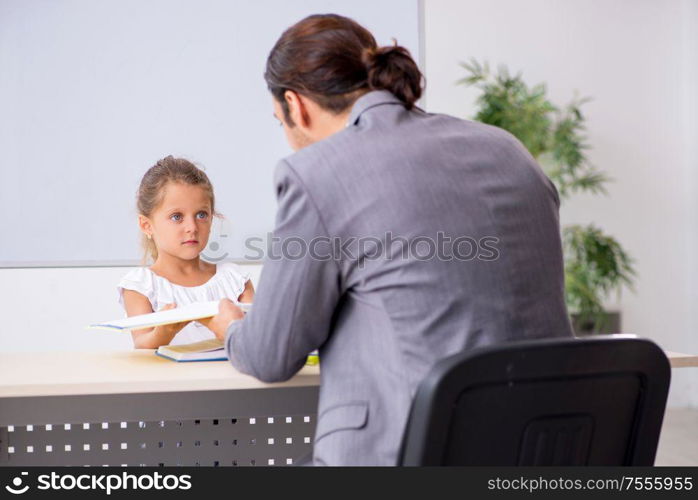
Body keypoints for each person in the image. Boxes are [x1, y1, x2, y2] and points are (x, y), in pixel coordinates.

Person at [202, 14, 573, 465]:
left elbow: (270, 355)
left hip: (408, 454)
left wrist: (231, 329)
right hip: (544, 452)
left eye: (280, 121)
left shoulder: (317, 172)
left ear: (295, 107)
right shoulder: (507, 149)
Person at [117, 156, 254, 348]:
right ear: (147, 225)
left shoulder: (235, 280)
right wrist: (163, 332)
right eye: (176, 217)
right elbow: (142, 345)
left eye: (201, 215)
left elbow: (259, 339)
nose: (192, 227)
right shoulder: (141, 286)